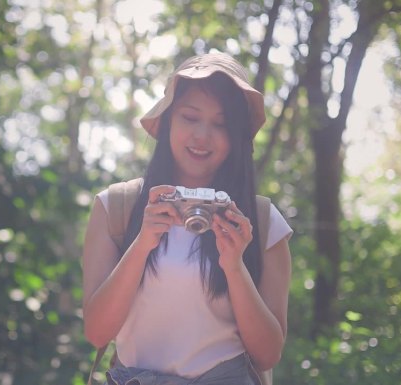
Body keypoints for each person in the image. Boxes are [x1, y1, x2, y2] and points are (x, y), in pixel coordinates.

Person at [82, 52, 293, 385]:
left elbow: (268, 354)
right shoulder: (117, 208)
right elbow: (96, 332)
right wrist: (142, 244)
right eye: (190, 117)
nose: (201, 135)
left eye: (220, 124)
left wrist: (234, 266)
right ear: (168, 121)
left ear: (237, 137)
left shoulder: (262, 223)